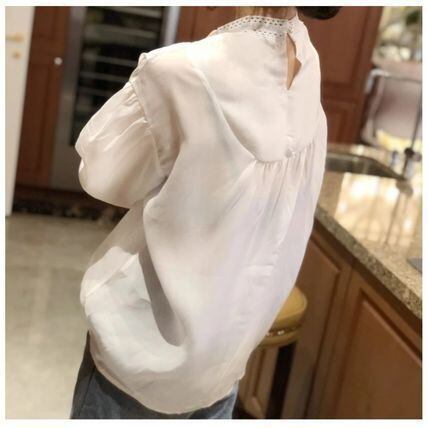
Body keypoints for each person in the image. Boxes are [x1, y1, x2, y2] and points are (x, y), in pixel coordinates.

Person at [70, 5, 342, 419]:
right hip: (222, 368)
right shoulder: (306, 73)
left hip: (135, 353)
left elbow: (102, 175)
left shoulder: (178, 72)